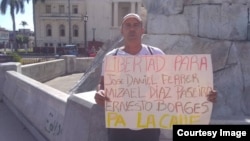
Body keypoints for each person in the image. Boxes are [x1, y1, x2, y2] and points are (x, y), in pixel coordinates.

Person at [94, 13, 217, 141]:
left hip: (149, 122)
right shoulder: (112, 57)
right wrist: (100, 93)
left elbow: (174, 85)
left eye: (136, 25)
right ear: (122, 30)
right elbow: (103, 84)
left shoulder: (156, 54)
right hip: (119, 123)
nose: (132, 29)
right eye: (128, 25)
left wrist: (202, 95)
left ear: (142, 30)